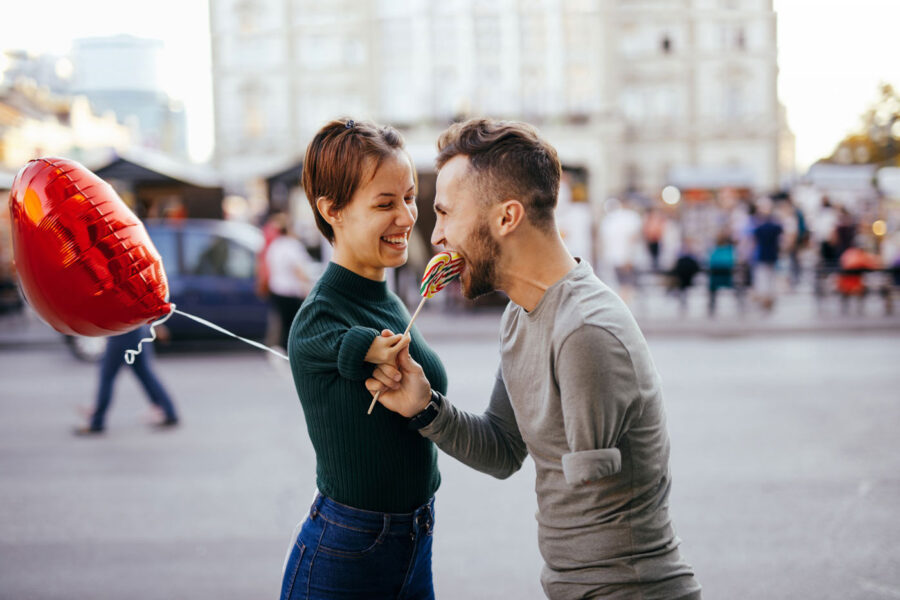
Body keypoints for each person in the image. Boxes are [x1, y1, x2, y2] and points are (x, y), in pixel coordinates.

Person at [368, 119, 701, 599]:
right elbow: (504, 451)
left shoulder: (585, 328)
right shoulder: (520, 315)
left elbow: (593, 488)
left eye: (445, 213)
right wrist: (426, 407)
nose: (436, 234)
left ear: (506, 218)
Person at [280, 118, 446, 600]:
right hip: (347, 550)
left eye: (410, 198)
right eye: (385, 203)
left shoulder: (389, 298)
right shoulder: (322, 309)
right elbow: (315, 341)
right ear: (331, 209)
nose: (407, 216)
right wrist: (366, 347)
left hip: (415, 539)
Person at [74, 325, 179, 435]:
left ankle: (96, 421)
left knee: (107, 374)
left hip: (123, 330)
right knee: (144, 372)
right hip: (138, 327)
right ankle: (168, 412)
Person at [265, 213, 315, 349]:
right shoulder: (292, 246)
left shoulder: (275, 245)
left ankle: (281, 347)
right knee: (294, 324)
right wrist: (309, 287)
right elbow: (299, 271)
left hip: (276, 289)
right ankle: (290, 349)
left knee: (284, 323)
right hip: (291, 291)